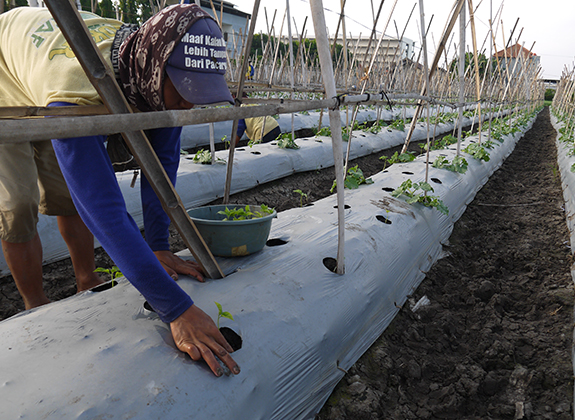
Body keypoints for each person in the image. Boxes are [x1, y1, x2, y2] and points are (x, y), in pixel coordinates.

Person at [0, 4, 240, 377]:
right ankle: (35, 305)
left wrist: (158, 245)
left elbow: (160, 168)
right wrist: (175, 309)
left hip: (44, 79)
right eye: (184, 88)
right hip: (5, 77)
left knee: (64, 195)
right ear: (155, 68)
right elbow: (102, 207)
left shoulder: (150, 73)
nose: (189, 102)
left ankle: (86, 279)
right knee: (18, 203)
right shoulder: (76, 89)